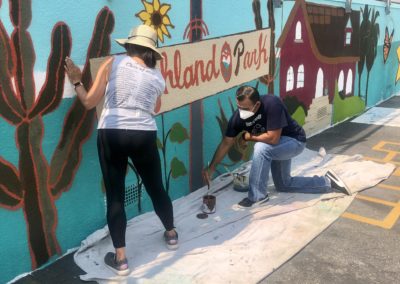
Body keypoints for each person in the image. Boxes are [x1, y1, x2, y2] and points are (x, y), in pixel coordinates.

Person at [65, 25, 178, 276]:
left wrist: (76, 80)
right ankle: (171, 234)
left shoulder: (113, 63)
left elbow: (88, 102)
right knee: (156, 187)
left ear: (128, 45)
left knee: (115, 195)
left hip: (112, 132)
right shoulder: (158, 77)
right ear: (151, 51)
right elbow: (155, 108)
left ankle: (122, 259)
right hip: (144, 134)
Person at [203, 85, 351, 208]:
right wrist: (212, 168)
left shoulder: (272, 104)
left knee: (261, 148)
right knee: (284, 184)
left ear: (257, 105)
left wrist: (248, 137)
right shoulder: (238, 117)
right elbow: (226, 142)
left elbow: (273, 139)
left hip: (294, 141)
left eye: (246, 108)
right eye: (239, 107)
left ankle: (257, 197)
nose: (242, 111)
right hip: (277, 146)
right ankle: (326, 181)